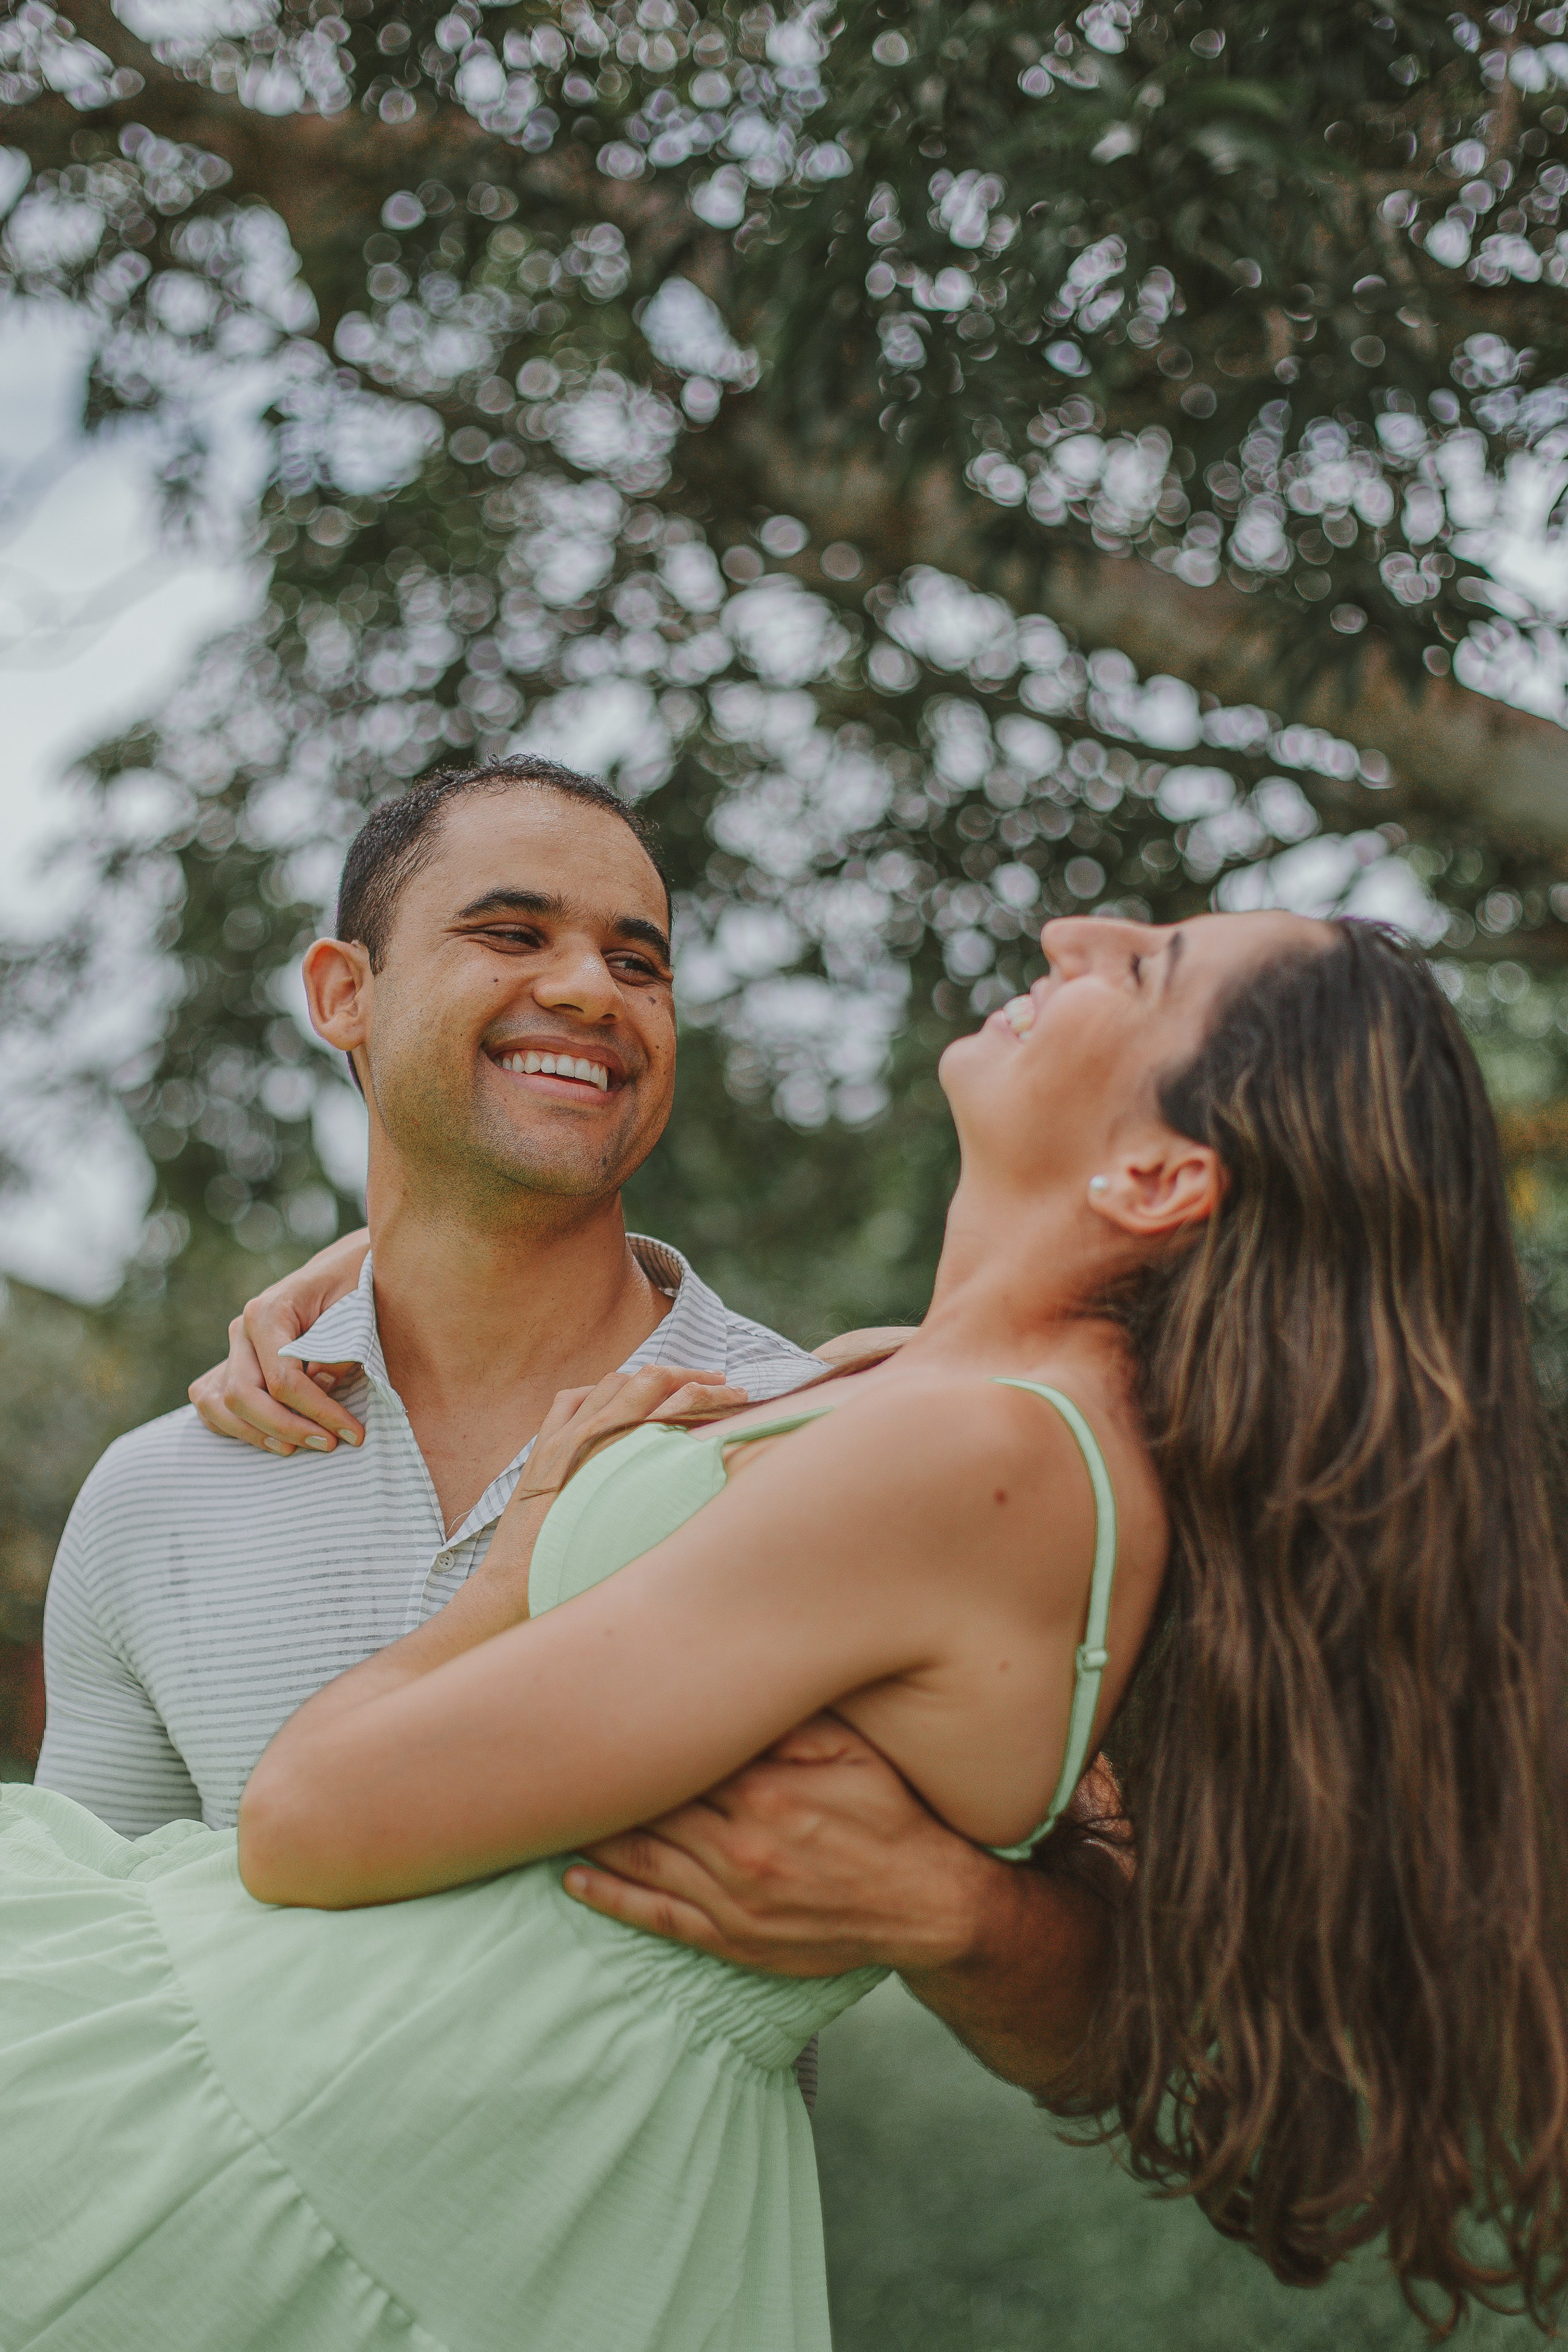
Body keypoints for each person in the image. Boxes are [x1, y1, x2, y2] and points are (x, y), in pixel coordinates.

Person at [6, 908, 1566, 2352]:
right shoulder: (931, 1394)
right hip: (359, 2090)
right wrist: (377, 1267)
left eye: (1143, 969)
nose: (1069, 931)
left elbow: (302, 1819)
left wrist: (507, 1579)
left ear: (1155, 1182)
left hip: (386, 2139)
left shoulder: (985, 1459)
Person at [32, 755, 1116, 2105]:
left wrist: (960, 1915)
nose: (589, 990)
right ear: (341, 995)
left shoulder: (832, 1444)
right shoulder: (161, 1492)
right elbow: (60, 1990)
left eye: (637, 962)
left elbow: (1124, 2038)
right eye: (510, 933)